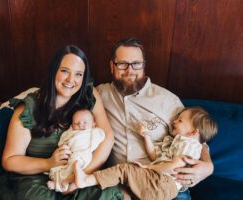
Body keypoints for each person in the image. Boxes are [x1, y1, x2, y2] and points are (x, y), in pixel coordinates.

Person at [0, 45, 123, 200]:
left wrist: (80, 178)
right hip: (38, 177)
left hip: (80, 170)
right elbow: (9, 160)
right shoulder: (28, 109)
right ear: (54, 70)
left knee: (107, 193)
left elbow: (107, 137)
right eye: (65, 71)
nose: (71, 80)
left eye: (78, 74)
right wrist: (48, 163)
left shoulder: (88, 94)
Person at [96, 38, 214, 199]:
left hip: (164, 184)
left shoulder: (168, 100)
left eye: (136, 63)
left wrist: (208, 166)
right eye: (122, 64)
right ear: (112, 66)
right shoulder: (101, 94)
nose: (130, 70)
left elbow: (196, 136)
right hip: (121, 184)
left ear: (144, 65)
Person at [73, 107, 218, 200]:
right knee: (123, 185)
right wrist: (146, 137)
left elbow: (175, 166)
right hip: (160, 184)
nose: (174, 121)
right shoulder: (176, 142)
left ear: (193, 132)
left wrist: (147, 168)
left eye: (180, 120)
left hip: (164, 183)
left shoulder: (189, 144)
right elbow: (155, 156)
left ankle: (86, 180)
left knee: (124, 170)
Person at [47, 109, 105, 192]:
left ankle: (61, 184)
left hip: (83, 154)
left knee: (76, 163)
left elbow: (102, 135)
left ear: (93, 124)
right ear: (72, 125)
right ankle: (63, 182)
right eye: (76, 123)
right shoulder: (71, 132)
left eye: (85, 122)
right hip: (70, 155)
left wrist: (97, 132)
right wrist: (63, 146)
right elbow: (63, 140)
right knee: (61, 169)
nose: (81, 125)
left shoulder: (94, 132)